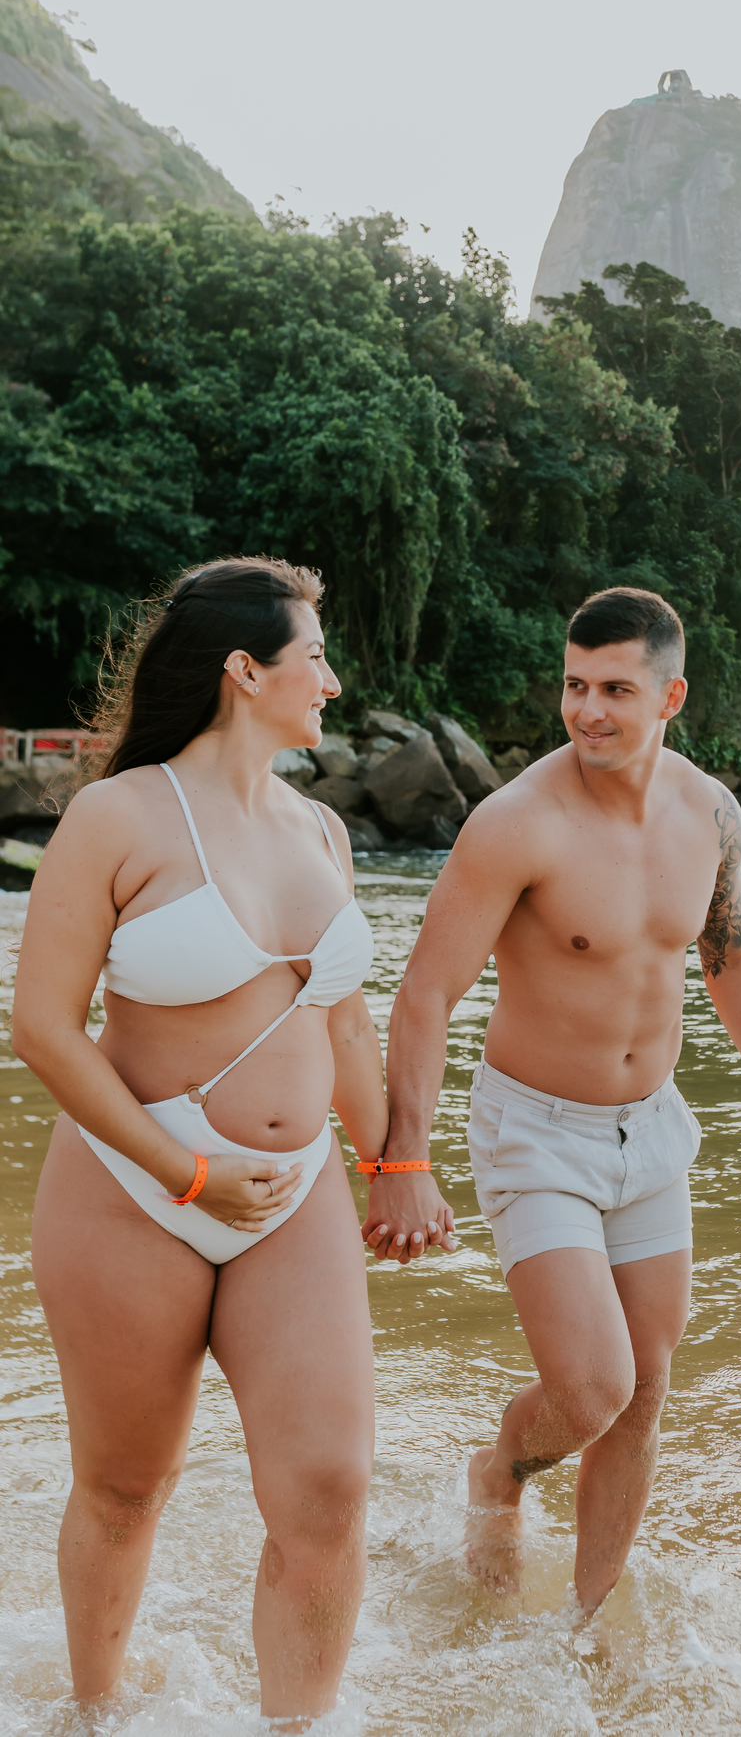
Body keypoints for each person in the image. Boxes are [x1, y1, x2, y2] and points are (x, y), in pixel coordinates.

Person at [361, 586, 741, 1613]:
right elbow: (427, 992)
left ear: (672, 695)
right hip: (535, 1130)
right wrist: (404, 1158)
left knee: (645, 1392)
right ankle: (501, 1471)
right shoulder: (518, 822)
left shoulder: (709, 812)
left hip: (652, 1129)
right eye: (575, 685)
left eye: (616, 688)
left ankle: (588, 1623)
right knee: (592, 1386)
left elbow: (729, 958)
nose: (587, 710)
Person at [13, 558, 387, 1722]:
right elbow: (40, 1027)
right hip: (136, 1186)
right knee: (127, 1486)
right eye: (313, 655)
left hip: (297, 1192)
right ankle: (94, 1712)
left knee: (327, 1494)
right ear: (244, 670)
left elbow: (344, 1019)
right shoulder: (114, 814)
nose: (330, 678)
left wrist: (396, 1166)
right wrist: (187, 1170)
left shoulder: (322, 829)